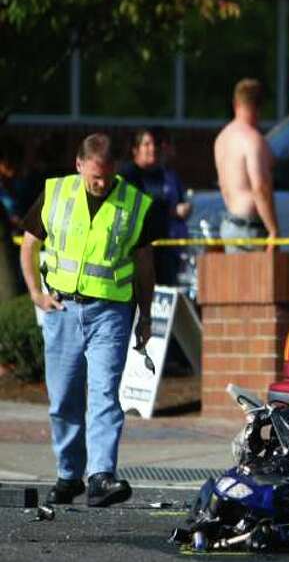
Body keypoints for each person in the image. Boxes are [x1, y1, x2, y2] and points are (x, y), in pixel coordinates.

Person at [18, 133, 166, 507]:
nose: (101, 183)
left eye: (107, 176)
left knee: (104, 394)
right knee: (63, 398)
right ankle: (69, 476)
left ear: (115, 168)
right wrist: (35, 293)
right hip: (62, 309)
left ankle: (101, 476)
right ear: (79, 164)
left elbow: (144, 265)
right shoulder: (55, 193)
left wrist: (145, 315)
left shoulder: (135, 202)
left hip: (111, 313)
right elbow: (29, 244)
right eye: (94, 176)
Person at [214, 78, 279, 253]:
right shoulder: (253, 140)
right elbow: (260, 187)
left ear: (236, 103)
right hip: (250, 229)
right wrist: (273, 230)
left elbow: (223, 184)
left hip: (230, 223)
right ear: (259, 107)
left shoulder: (222, 138)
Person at [119, 127, 191, 284]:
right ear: (135, 149)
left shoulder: (163, 174)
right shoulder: (128, 175)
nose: (153, 148)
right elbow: (135, 208)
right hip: (137, 250)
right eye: (147, 144)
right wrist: (171, 211)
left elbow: (178, 201)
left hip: (164, 249)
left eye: (156, 144)